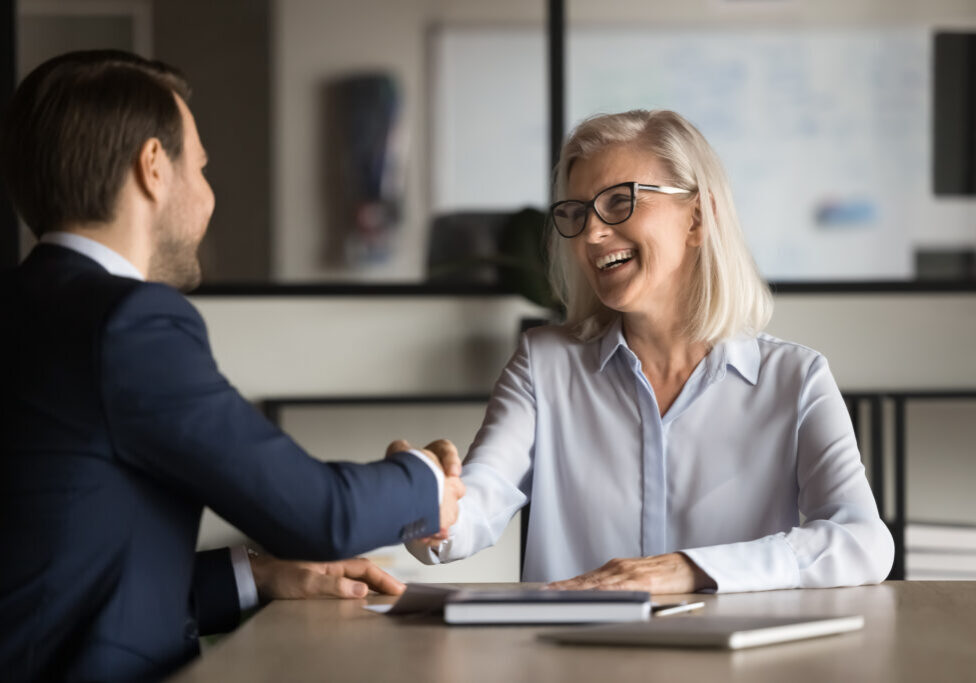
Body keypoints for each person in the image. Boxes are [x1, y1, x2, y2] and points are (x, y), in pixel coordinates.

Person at [0, 50, 464, 682]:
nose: (209, 194)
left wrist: (255, 576)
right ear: (154, 168)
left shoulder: (28, 309)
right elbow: (321, 516)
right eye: (203, 167)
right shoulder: (128, 321)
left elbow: (62, 570)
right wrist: (430, 482)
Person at [408, 109, 894, 594]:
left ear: (697, 218)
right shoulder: (543, 366)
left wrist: (691, 569)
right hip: (573, 663)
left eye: (620, 202)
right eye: (576, 214)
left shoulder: (795, 378)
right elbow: (473, 510)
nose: (592, 234)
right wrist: (422, 496)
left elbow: (863, 541)